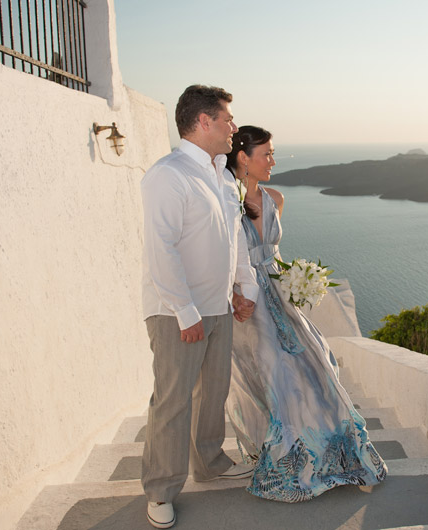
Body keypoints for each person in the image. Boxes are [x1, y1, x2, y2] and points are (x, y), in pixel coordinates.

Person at [225, 125, 387, 503]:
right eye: (266, 154)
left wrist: (300, 280)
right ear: (243, 159)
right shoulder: (225, 201)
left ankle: (342, 453)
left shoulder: (276, 198)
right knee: (274, 375)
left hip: (282, 299)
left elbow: (276, 253)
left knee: (317, 367)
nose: (273, 161)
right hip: (248, 306)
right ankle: (288, 460)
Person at [140, 85, 259, 529]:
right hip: (177, 312)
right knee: (172, 402)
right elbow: (161, 250)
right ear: (204, 121)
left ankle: (209, 461)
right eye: (227, 119)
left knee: (214, 392)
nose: (233, 127)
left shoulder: (223, 176)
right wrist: (185, 312)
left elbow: (234, 241)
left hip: (219, 306)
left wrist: (242, 287)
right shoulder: (168, 175)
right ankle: (160, 489)